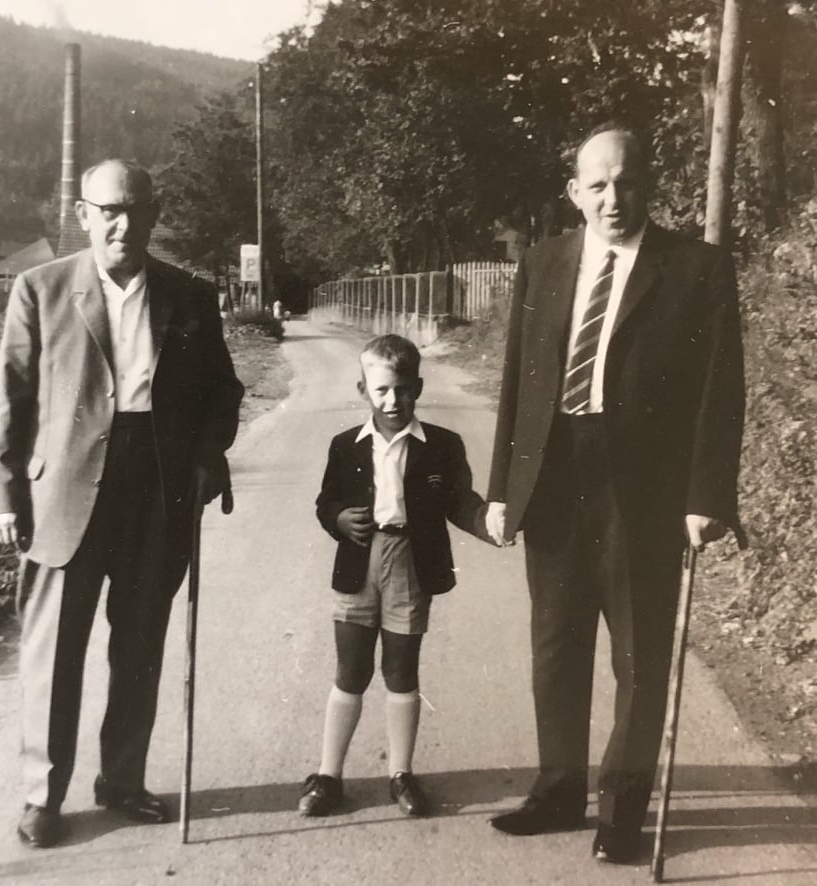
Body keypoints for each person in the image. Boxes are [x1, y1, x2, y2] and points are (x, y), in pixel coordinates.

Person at [484, 123, 744, 863]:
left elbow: (721, 395)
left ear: (649, 185)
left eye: (626, 182)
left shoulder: (696, 269)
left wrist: (707, 496)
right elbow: (520, 383)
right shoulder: (543, 263)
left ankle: (622, 811)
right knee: (556, 644)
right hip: (557, 475)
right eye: (596, 184)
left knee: (640, 656)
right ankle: (557, 789)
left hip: (647, 489)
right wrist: (504, 486)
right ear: (574, 193)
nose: (612, 198)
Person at [0, 159, 244, 848]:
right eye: (107, 211)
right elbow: (8, 399)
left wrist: (208, 453)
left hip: (154, 489)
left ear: (154, 214)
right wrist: (5, 492)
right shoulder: (39, 288)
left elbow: (223, 391)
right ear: (83, 213)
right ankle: (43, 797)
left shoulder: (189, 293)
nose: (120, 223)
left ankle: (123, 781)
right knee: (54, 655)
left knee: (139, 649)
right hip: (63, 494)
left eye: (134, 209)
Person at [299, 334, 491, 818]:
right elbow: (326, 503)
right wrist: (339, 518)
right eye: (381, 390)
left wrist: (490, 523)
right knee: (352, 670)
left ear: (418, 388)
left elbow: (459, 501)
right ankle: (328, 774)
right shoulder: (345, 445)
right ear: (363, 389)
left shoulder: (442, 446)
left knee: (402, 671)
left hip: (410, 561)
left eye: (402, 390)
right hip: (359, 561)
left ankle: (401, 773)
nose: (392, 400)